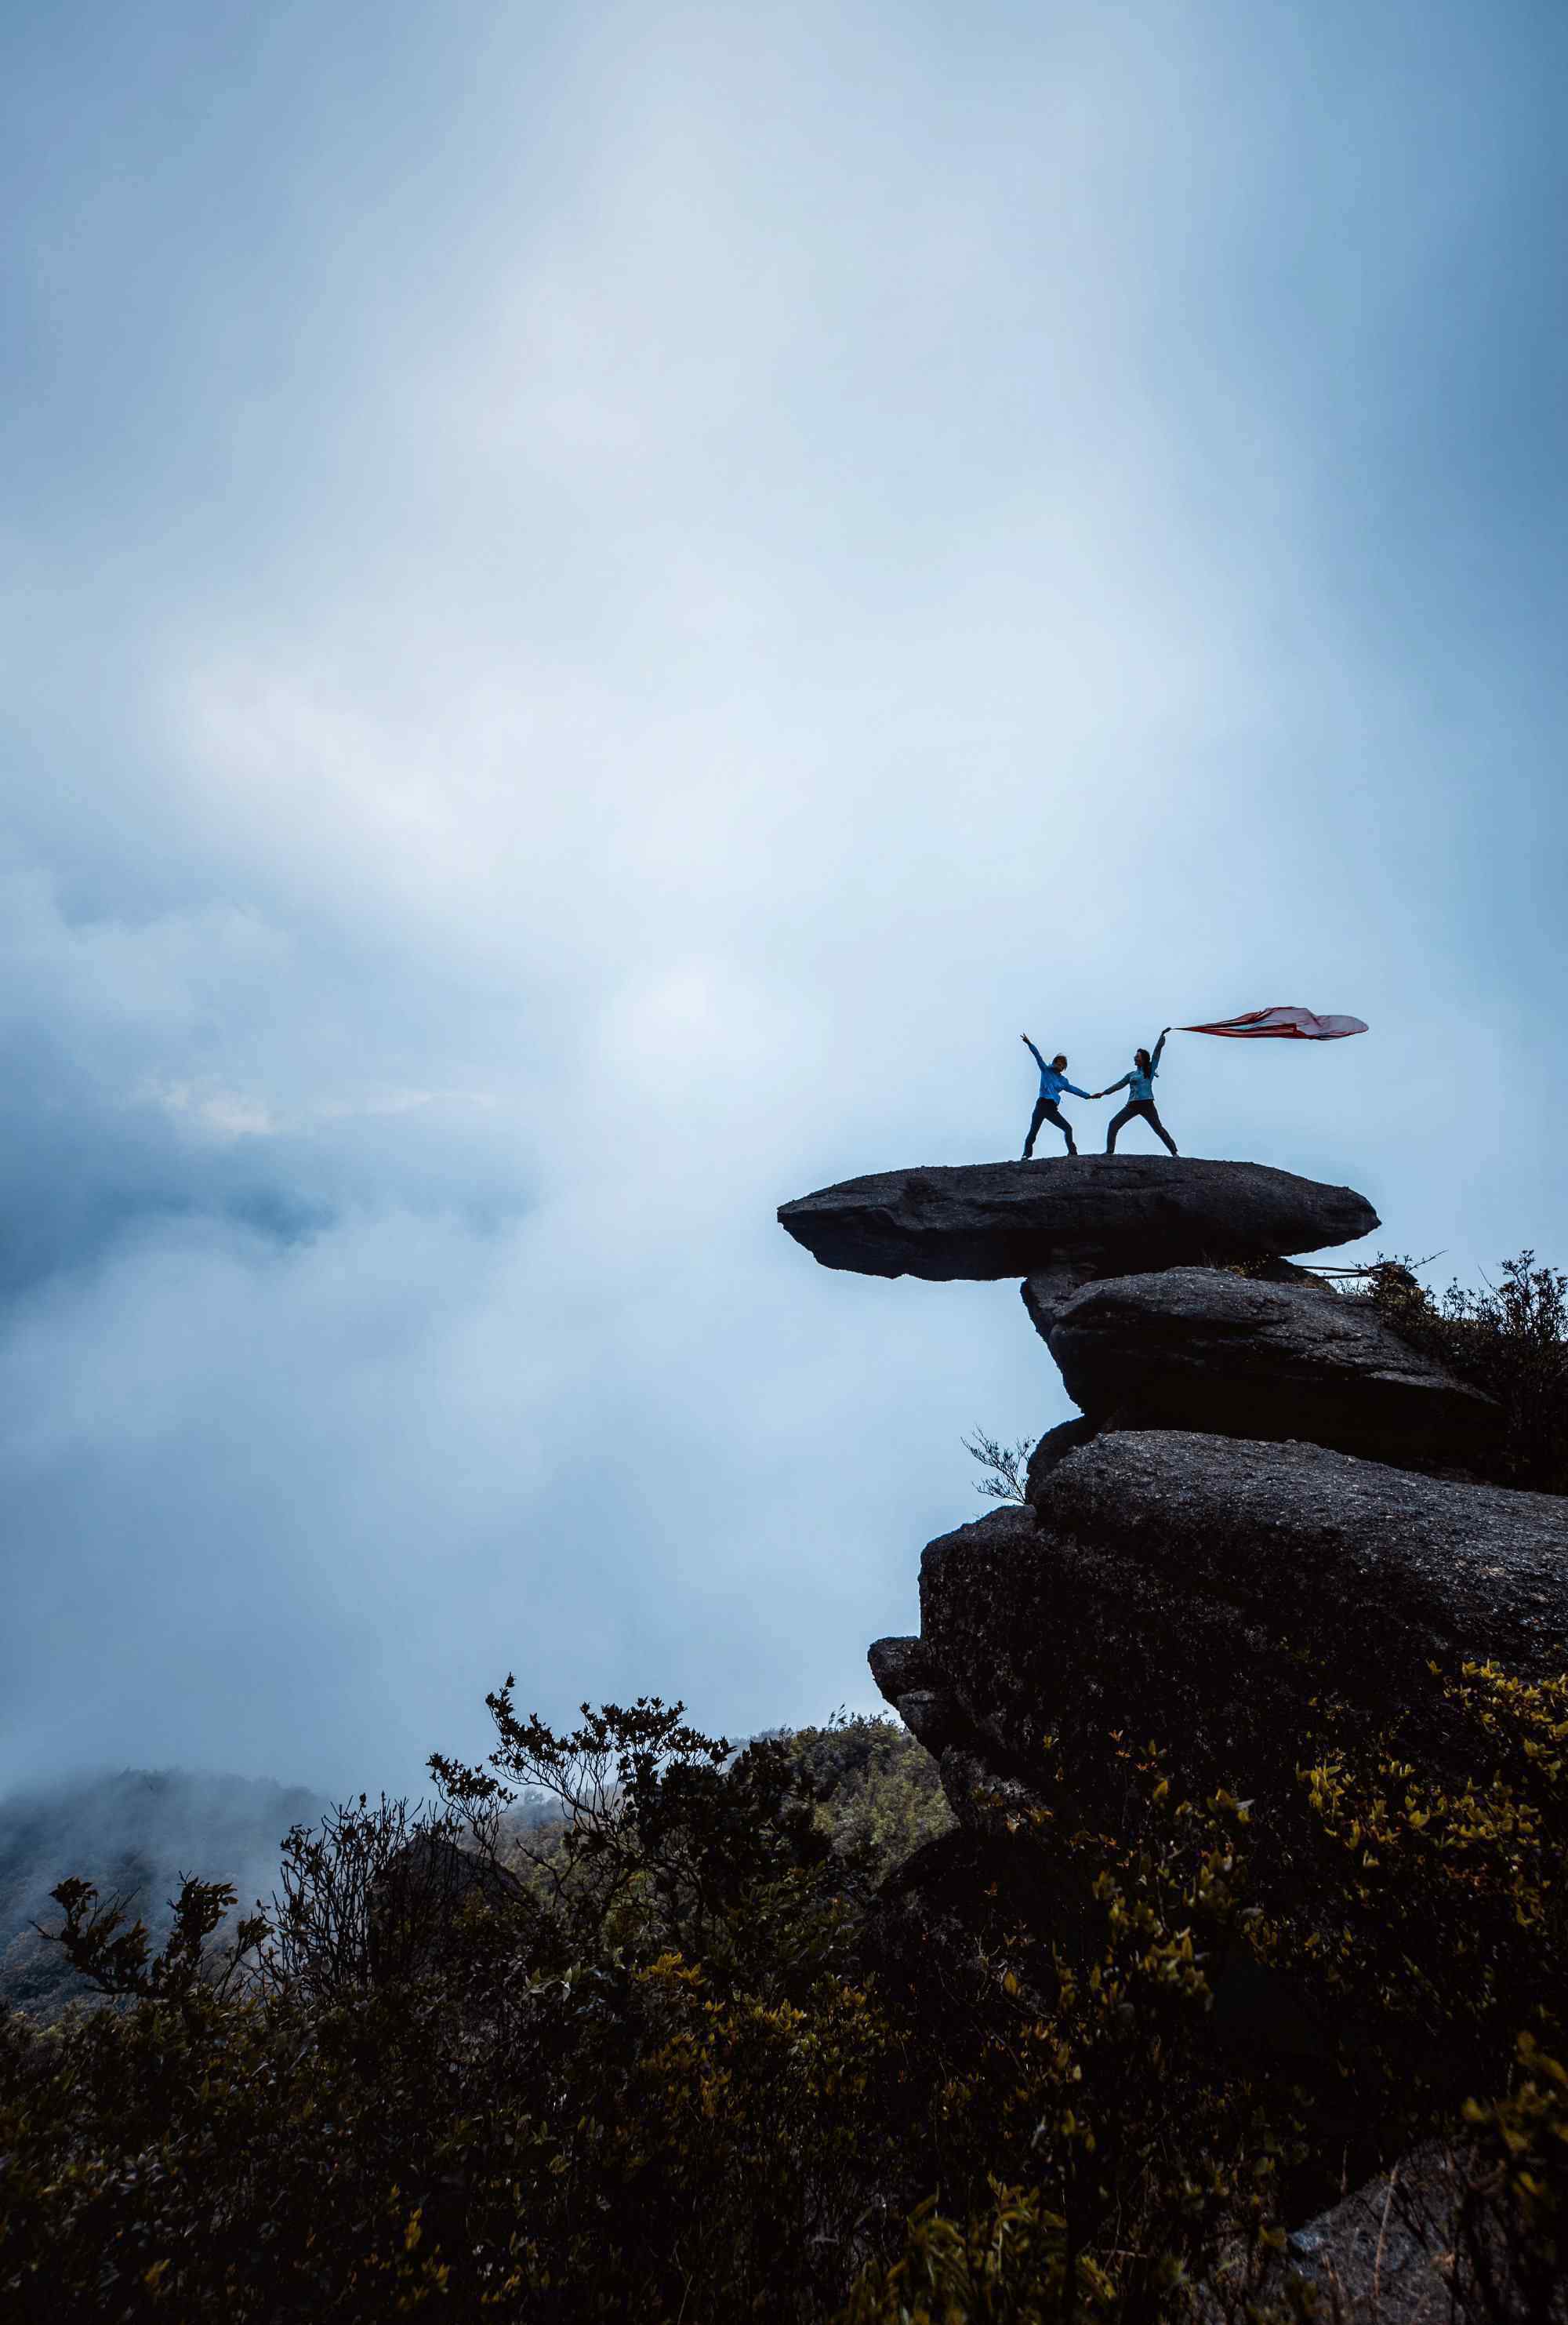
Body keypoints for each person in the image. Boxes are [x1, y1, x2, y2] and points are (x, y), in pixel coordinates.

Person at [1095, 1030, 1178, 1155]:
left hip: (1147, 1104)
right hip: (1132, 1105)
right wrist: (1103, 1093)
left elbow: (1156, 1054)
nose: (1135, 1057)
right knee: (1113, 1124)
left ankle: (1174, 1152)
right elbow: (1119, 1085)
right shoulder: (1131, 1075)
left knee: (1158, 1129)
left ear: (1143, 1059)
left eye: (1137, 1056)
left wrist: (1162, 1037)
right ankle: (1109, 1152)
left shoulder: (1149, 1070)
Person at [1020, 1035, 1095, 1158]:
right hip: (1041, 1105)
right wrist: (1029, 1043)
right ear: (1054, 1062)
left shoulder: (1063, 1081)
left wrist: (1088, 1096)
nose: (1060, 1066)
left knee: (1068, 1128)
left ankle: (1073, 1153)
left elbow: (1073, 1089)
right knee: (1033, 1132)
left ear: (1064, 1068)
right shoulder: (1046, 1070)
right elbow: (1037, 1056)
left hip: (1052, 1109)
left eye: (1062, 1065)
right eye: (1058, 1063)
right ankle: (1026, 1155)